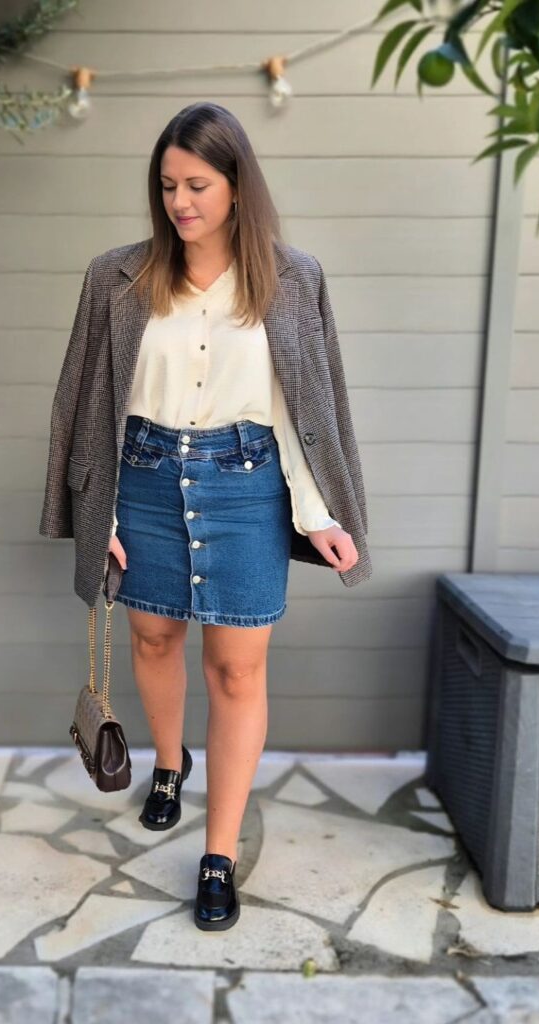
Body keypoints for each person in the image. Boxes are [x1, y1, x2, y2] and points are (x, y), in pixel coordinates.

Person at [41, 101, 370, 932]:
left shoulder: (294, 279)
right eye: (166, 185)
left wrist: (320, 512)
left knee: (236, 671)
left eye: (196, 184)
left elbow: (305, 410)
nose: (179, 201)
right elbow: (83, 401)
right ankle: (167, 763)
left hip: (245, 485)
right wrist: (96, 506)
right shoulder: (114, 276)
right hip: (142, 479)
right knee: (153, 639)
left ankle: (217, 852)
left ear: (236, 186)